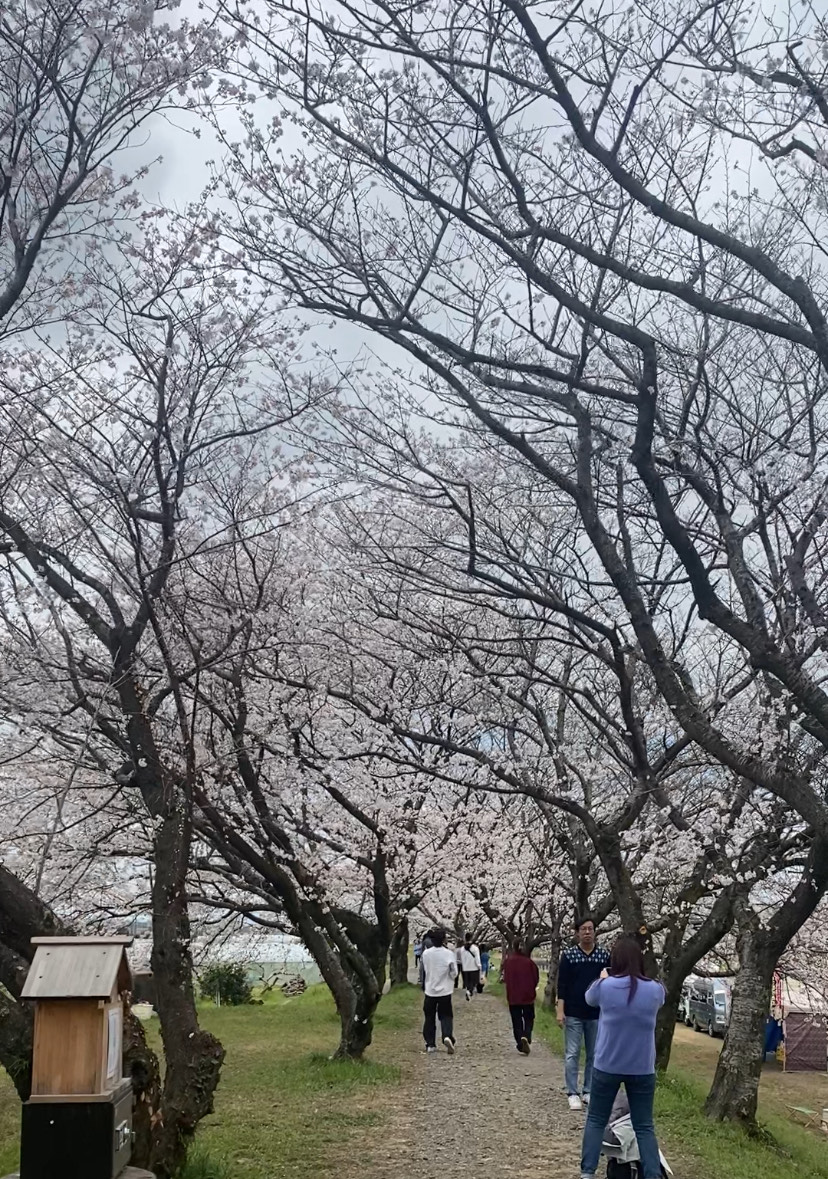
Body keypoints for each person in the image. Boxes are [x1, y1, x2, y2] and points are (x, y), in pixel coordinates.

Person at [579, 936, 665, 1179]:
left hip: (607, 1063)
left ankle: (587, 1173)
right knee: (644, 1126)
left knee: (596, 1119)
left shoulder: (605, 987)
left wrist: (603, 977)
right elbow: (662, 997)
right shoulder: (655, 990)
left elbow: (589, 998)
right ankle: (652, 1174)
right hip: (642, 1067)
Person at [557, 916, 611, 1109]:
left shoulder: (603, 956)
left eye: (590, 929)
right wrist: (560, 1010)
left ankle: (588, 1090)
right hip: (573, 1012)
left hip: (596, 1014)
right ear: (577, 932)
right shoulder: (569, 955)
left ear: (595, 931)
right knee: (572, 1053)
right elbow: (561, 984)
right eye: (583, 929)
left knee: (594, 1054)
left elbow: (609, 984)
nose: (587, 932)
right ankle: (572, 1092)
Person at [421, 928, 458, 1054]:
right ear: (444, 940)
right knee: (446, 1015)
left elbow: (425, 969)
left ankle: (430, 1044)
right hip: (445, 990)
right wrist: (449, 976)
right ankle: (447, 1036)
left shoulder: (426, 954)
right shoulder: (449, 954)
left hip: (430, 990)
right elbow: (454, 973)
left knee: (429, 1017)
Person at [502, 938, 539, 1055]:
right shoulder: (530, 963)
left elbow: (506, 978)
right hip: (528, 996)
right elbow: (536, 978)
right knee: (529, 1017)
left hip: (513, 996)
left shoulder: (508, 962)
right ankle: (526, 1035)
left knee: (516, 1020)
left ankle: (520, 1042)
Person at [458, 933, 482, 1000]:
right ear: (471, 938)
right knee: (473, 981)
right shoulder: (475, 948)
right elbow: (477, 958)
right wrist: (479, 965)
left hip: (465, 967)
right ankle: (469, 991)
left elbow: (461, 958)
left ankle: (468, 990)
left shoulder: (462, 949)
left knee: (468, 981)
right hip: (474, 967)